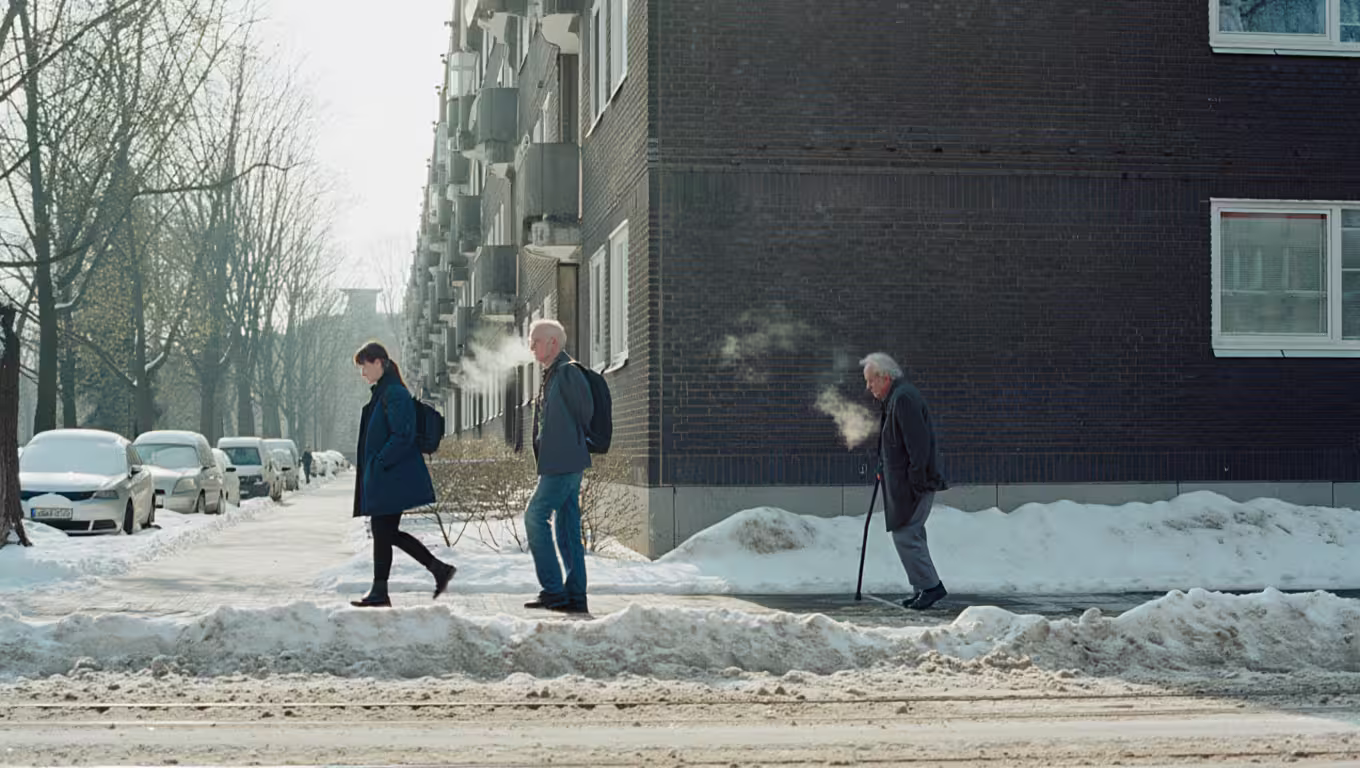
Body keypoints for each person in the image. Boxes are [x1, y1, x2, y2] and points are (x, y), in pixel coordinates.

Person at [351, 341, 456, 608]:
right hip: (387, 476)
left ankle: (382, 590)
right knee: (386, 532)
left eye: (364, 366)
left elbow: (403, 435)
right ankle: (437, 570)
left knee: (384, 532)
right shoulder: (384, 392)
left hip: (391, 477)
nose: (362, 373)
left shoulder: (394, 393)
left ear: (378, 362)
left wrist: (380, 461)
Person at [862, 352, 949, 610]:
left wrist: (916, 479)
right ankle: (922, 588)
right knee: (911, 534)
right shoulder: (896, 398)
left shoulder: (904, 399)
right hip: (906, 483)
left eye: (870, 381)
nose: (868, 387)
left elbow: (918, 446)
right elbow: (895, 442)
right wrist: (883, 466)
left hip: (914, 484)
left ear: (885, 377)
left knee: (905, 534)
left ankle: (931, 588)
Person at [523, 319, 593, 614]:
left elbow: (585, 412)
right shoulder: (553, 373)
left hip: (564, 463)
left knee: (535, 516)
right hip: (562, 461)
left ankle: (553, 590)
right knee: (566, 528)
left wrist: (565, 445)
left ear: (552, 342)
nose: (531, 346)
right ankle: (575, 596)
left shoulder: (566, 373)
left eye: (535, 340)